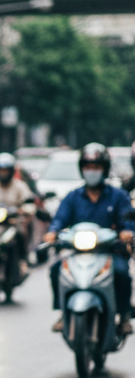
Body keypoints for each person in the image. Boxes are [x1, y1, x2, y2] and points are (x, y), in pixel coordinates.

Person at [44, 141, 134, 334]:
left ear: (105, 169)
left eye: (96, 167)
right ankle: (61, 310)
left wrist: (127, 232)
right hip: (78, 252)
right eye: (88, 167)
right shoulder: (73, 197)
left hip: (109, 251)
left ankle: (124, 315)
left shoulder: (118, 196)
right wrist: (53, 232)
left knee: (121, 273)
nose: (91, 171)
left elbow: (128, 220)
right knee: (55, 270)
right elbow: (60, 219)